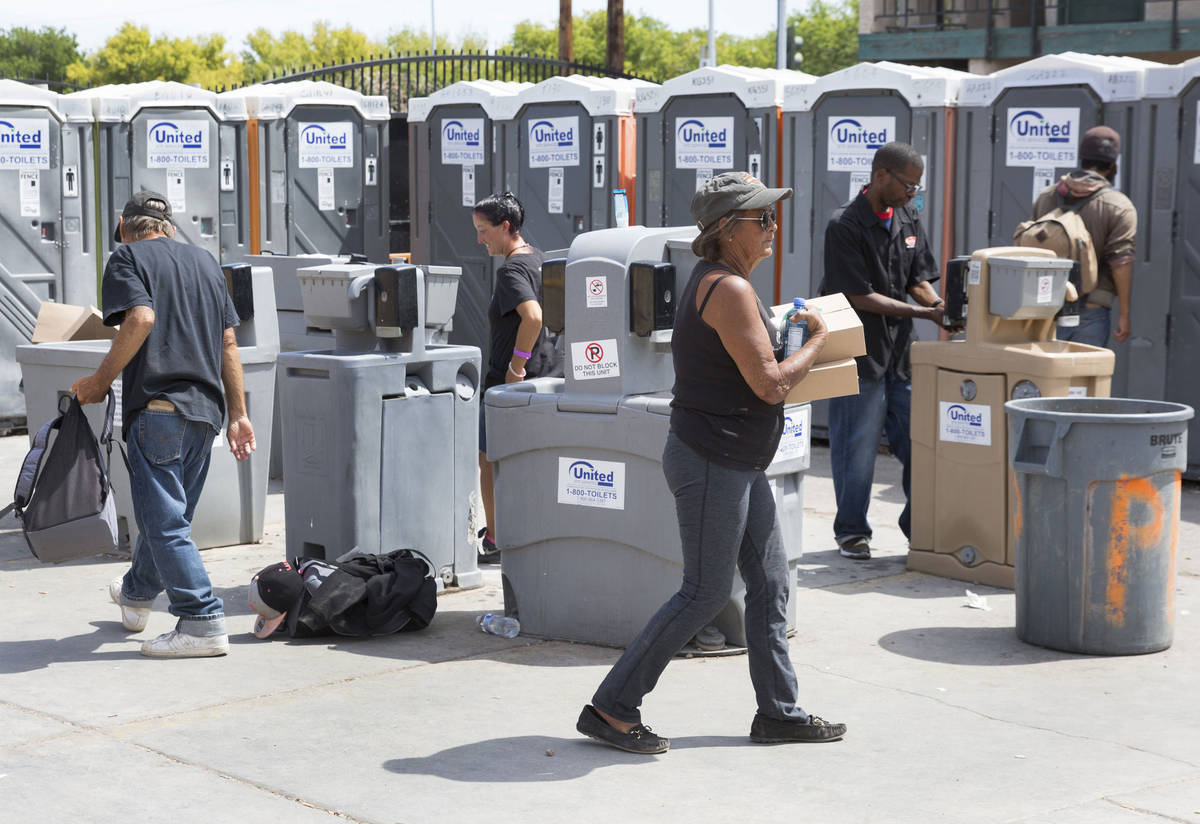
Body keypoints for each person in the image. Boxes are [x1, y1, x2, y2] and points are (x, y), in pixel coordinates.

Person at [576, 171, 846, 755]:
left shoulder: (729, 284)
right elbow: (771, 385)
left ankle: (779, 713)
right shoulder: (728, 289)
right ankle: (612, 707)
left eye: (774, 216)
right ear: (727, 229)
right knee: (703, 592)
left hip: (738, 461)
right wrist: (820, 341)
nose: (773, 227)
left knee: (771, 583)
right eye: (762, 218)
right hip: (711, 461)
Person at [71, 191, 255, 658]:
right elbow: (229, 343)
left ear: (124, 225)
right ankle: (135, 596)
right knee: (167, 520)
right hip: (206, 414)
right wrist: (239, 414)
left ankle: (202, 619)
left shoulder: (126, 257)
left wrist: (99, 381)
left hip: (159, 411)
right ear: (168, 227)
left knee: (165, 524)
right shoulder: (208, 262)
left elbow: (142, 318)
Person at [821, 141, 950, 561]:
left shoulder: (909, 216)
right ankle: (852, 532)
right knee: (855, 447)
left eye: (917, 186)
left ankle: (919, 527)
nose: (913, 193)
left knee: (919, 442)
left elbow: (918, 276)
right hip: (859, 350)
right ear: (881, 176)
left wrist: (936, 305)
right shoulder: (844, 225)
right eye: (908, 185)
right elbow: (860, 296)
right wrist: (923, 313)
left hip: (900, 355)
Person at [472, 191, 558, 563]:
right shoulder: (539, 259)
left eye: (484, 230)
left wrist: (515, 368)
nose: (480, 239)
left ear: (506, 228)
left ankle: (495, 538)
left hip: (510, 385)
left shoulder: (510, 271)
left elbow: (534, 316)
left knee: (489, 461)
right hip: (547, 378)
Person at [1032, 125, 1137, 348]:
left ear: (1081, 158)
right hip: (1092, 310)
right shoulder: (1119, 206)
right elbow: (1121, 262)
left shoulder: (1046, 197)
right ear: (1112, 165)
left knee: (1041, 378)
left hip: (1045, 307)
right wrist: (1125, 314)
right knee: (1083, 381)